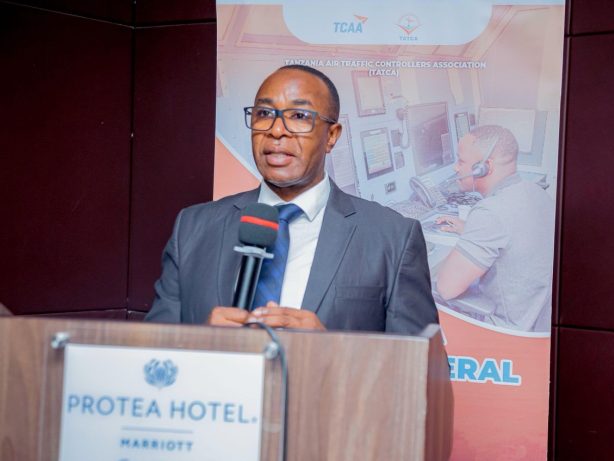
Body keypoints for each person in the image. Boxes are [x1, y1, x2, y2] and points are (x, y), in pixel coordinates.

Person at [145, 65, 438, 334]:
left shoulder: (393, 238)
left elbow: (422, 366)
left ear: (332, 135)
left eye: (299, 116)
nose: (276, 130)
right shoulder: (192, 228)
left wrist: (332, 351)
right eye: (264, 114)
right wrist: (200, 342)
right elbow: (150, 356)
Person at [435, 125, 554, 332]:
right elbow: (517, 234)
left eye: (461, 161)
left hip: (506, 334)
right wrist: (470, 230)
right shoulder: (537, 192)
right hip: (539, 326)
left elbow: (446, 288)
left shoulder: (490, 212)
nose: (456, 168)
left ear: (484, 167)